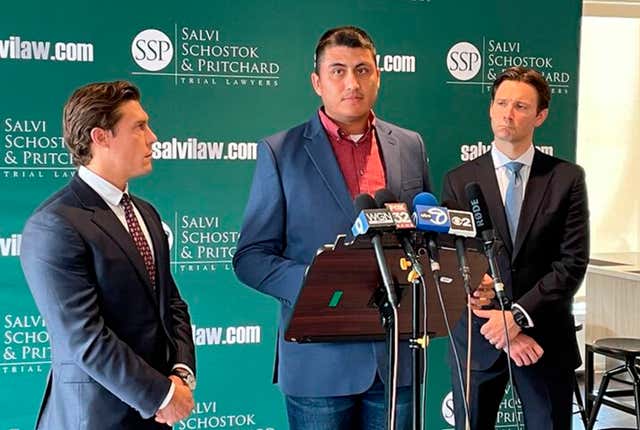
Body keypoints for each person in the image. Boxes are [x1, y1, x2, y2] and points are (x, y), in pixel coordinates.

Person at [233, 26, 431, 429]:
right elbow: (251, 258)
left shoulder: (410, 145)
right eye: (338, 71)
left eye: (362, 70)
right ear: (317, 83)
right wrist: (315, 280)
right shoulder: (280, 152)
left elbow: (426, 237)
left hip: (395, 360)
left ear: (378, 76)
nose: (351, 83)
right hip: (318, 363)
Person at [20, 81, 196, 429]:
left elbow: (171, 303)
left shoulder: (145, 213)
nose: (153, 138)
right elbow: (83, 336)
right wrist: (160, 395)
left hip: (156, 414)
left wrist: (180, 373)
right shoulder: (54, 224)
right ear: (101, 137)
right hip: (95, 418)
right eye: (139, 127)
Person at [442, 67, 590, 429]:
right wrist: (503, 328)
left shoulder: (566, 178)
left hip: (544, 339)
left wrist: (518, 318)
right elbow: (452, 260)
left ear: (540, 115)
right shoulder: (460, 181)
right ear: (491, 109)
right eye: (502, 103)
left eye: (521, 106)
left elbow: (571, 263)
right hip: (479, 339)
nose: (508, 114)